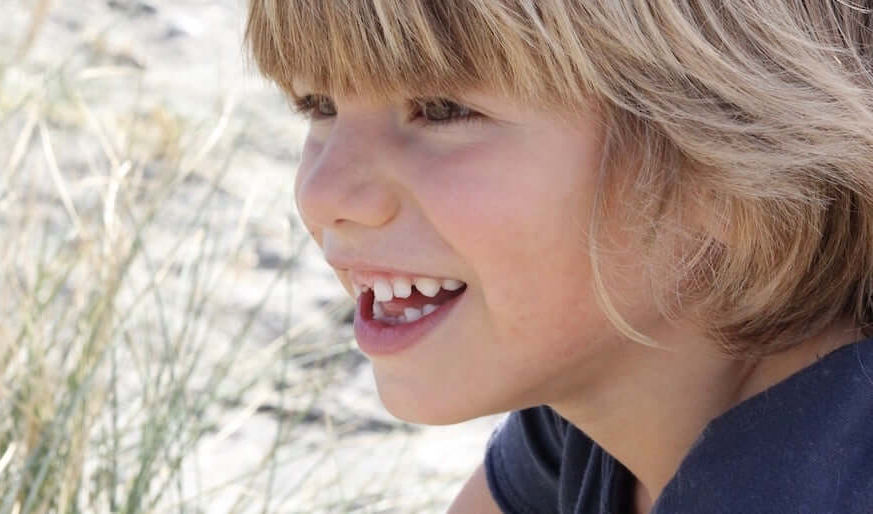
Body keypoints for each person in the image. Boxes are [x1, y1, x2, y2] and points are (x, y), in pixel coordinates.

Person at [244, 1, 873, 512]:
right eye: (318, 106)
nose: (324, 194)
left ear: (727, 168)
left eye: (442, 110)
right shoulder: (601, 410)